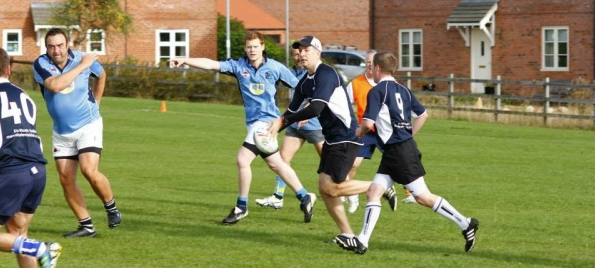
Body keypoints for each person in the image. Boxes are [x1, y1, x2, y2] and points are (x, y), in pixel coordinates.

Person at [336, 51, 479, 254]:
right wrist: (408, 133)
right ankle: (363, 241)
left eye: (372, 68)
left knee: (423, 197)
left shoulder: (377, 91)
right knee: (374, 191)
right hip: (396, 149)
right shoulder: (403, 89)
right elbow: (423, 115)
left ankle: (466, 223)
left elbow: (368, 123)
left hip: (399, 151)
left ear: (377, 68)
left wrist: (358, 133)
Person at [170, 31, 316, 224]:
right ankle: (305, 197)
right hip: (254, 124)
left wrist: (307, 106)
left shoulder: (275, 67)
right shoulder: (238, 66)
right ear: (245, 49)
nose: (252, 50)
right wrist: (185, 60)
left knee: (242, 160)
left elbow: (301, 88)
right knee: (276, 164)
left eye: (255, 46)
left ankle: (241, 207)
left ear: (262, 47)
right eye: (249, 47)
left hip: (268, 123)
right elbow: (211, 64)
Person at [268, 36, 396, 244]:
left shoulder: (326, 74)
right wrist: (276, 126)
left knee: (331, 188)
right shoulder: (304, 82)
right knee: (325, 189)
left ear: (318, 53)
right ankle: (347, 234)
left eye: (306, 50)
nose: (301, 53)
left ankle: (379, 187)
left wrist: (284, 120)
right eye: (298, 50)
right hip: (332, 139)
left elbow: (316, 107)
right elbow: (291, 110)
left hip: (345, 138)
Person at [33, 28, 122, 238]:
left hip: (88, 125)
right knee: (65, 179)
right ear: (47, 48)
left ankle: (111, 207)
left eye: (60, 45)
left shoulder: (83, 58)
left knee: (89, 170)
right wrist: (83, 66)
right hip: (61, 131)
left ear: (67, 45)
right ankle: (86, 226)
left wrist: (97, 102)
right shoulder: (41, 63)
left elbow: (101, 75)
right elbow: (55, 86)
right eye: (51, 46)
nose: (56, 50)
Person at [0, 47, 62, 268]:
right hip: (36, 170)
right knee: (18, 234)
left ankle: (40, 249)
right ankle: (36, 249)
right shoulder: (25, 96)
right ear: (9, 69)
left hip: (11, 171)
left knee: (24, 243)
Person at [345, 50, 417, 214]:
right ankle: (351, 192)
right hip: (367, 131)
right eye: (367, 61)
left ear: (378, 66)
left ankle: (410, 192)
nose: (370, 64)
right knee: (354, 163)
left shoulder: (387, 84)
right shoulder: (356, 83)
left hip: (387, 132)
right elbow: (345, 103)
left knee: (401, 160)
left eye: (372, 62)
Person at [255, 46, 324, 209]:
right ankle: (278, 196)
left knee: (329, 161)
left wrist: (306, 113)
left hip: (314, 124)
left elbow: (316, 97)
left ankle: (347, 190)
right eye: (295, 55)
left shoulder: (315, 73)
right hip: (294, 124)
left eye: (301, 54)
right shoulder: (293, 73)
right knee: (283, 159)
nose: (298, 57)